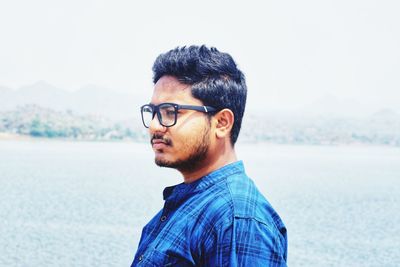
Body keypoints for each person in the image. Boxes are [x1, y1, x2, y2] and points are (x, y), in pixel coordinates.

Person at [131, 45, 287, 266]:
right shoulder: (191, 204)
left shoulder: (236, 219)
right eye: (153, 112)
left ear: (222, 123)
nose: (155, 125)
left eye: (171, 112)